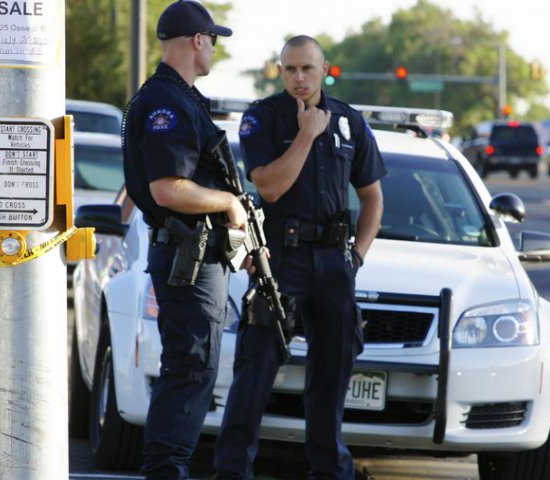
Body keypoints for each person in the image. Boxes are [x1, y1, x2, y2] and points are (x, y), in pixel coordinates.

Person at [214, 35, 386, 479]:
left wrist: (357, 257)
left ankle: (330, 472)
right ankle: (233, 471)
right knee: (255, 371)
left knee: (331, 377)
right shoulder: (263, 118)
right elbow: (269, 186)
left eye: (307, 68)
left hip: (334, 263)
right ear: (280, 71)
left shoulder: (349, 122)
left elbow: (373, 199)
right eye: (290, 69)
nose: (299, 78)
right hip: (280, 262)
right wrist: (307, 135)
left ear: (324, 69)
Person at [121, 2, 246, 479]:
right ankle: (166, 472)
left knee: (195, 367)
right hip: (187, 259)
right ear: (197, 40)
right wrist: (228, 203)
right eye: (213, 39)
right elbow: (167, 189)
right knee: (191, 367)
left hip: (199, 255)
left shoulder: (181, 98)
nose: (214, 48)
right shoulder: (166, 103)